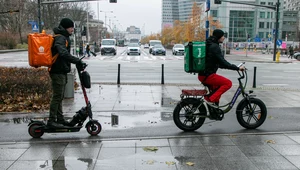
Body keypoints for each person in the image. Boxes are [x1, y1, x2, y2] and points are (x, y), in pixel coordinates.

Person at [48, 18, 85, 127]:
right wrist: (76, 60)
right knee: (57, 97)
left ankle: (59, 119)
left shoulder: (63, 37)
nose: (72, 29)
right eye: (71, 27)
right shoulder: (60, 38)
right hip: (57, 71)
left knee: (59, 97)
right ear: (65, 27)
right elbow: (63, 53)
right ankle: (51, 121)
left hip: (61, 70)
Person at [198, 29, 245, 106]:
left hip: (203, 74)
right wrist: (237, 68)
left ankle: (215, 109)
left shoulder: (210, 44)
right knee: (228, 83)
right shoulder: (214, 47)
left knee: (217, 89)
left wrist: (234, 67)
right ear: (219, 36)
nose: (224, 38)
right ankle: (209, 99)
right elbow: (223, 62)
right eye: (223, 36)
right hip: (208, 75)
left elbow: (220, 64)